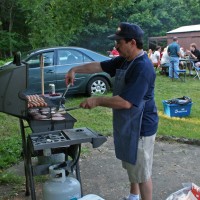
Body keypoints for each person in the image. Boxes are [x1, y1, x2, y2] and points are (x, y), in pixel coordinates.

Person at [65, 22, 158, 200]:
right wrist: (74, 69)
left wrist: (98, 100)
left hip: (141, 127)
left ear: (132, 42)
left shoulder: (143, 67)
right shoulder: (125, 60)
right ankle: (133, 196)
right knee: (132, 164)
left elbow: (126, 103)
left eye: (119, 42)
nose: (116, 46)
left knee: (142, 173)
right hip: (129, 122)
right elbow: (99, 66)